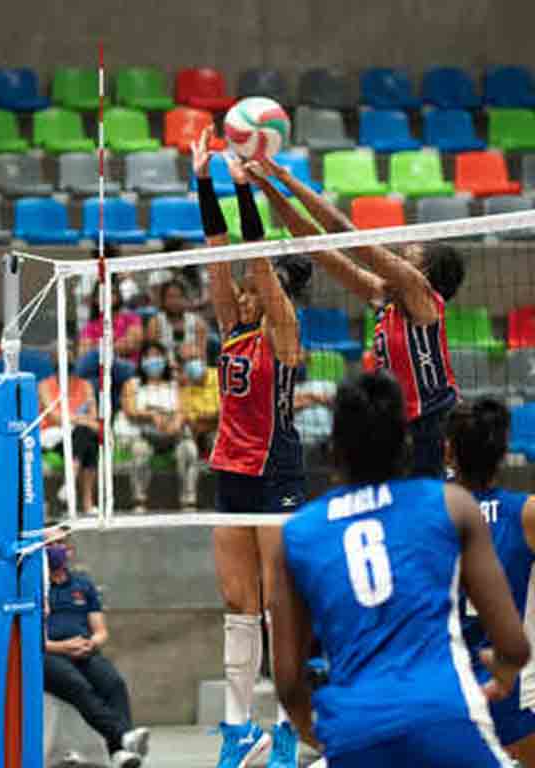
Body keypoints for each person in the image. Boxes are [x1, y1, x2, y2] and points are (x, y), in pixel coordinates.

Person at [272, 372, 528, 767]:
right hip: (445, 718)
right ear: (406, 443)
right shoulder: (450, 505)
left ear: (334, 449)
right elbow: (513, 645)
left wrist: (319, 736)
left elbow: (289, 682)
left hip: (354, 731)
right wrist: (505, 676)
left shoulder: (298, 533)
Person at [192, 127, 309, 768]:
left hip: (277, 474)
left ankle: (292, 724)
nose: (238, 285)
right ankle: (241, 730)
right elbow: (218, 255)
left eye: (256, 283)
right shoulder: (232, 327)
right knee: (237, 602)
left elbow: (256, 262)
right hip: (230, 472)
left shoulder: (285, 331)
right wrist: (204, 179)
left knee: (278, 605)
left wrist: (245, 189)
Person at [248, 156, 463, 478]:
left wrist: (286, 178)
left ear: (425, 270)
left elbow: (341, 229)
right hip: (396, 425)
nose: (408, 244)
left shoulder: (422, 297)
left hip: (433, 424)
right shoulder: (383, 297)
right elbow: (316, 243)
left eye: (417, 247)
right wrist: (268, 186)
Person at [446, 398, 535, 766]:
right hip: (511, 692)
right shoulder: (525, 512)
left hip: (443, 690)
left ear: (448, 450)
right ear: (503, 452)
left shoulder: (423, 512)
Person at [44, 539, 149, 767]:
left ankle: (118, 752)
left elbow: (101, 631)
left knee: (113, 683)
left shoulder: (83, 585)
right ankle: (122, 736)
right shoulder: (33, 587)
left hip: (83, 650)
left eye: (60, 544)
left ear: (69, 551)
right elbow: (31, 640)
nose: (56, 549)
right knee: (77, 685)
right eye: (50, 544)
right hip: (49, 654)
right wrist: (63, 647)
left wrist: (91, 644)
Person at [115, 340, 198, 513]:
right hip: (146, 435)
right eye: (148, 356)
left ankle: (188, 500)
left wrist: (176, 422)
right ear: (142, 361)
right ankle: (139, 499)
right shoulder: (133, 384)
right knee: (139, 451)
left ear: (164, 359)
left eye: (157, 356)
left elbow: (184, 410)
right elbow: (130, 410)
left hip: (174, 434)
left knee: (189, 449)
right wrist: (151, 416)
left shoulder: (175, 385)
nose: (153, 360)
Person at [38, 356, 100, 515]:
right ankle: (85, 501)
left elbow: (94, 416)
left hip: (77, 435)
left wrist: (79, 421)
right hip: (53, 436)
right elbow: (54, 417)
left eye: (69, 370)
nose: (65, 375)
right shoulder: (45, 385)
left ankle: (70, 486)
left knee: (86, 437)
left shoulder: (85, 386)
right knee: (86, 435)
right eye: (61, 371)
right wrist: (80, 419)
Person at [176, 345, 220, 509]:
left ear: (203, 360)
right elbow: (192, 422)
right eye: (186, 361)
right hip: (197, 435)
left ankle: (228, 497)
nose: (191, 364)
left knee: (220, 442)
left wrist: (209, 418)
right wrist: (212, 416)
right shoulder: (184, 388)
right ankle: (189, 499)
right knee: (187, 450)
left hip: (222, 431)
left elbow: (226, 411)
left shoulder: (219, 377)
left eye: (194, 359)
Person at [146, 278, 211, 364]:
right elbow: (152, 355)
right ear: (163, 300)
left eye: (179, 297)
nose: (174, 301)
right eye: (170, 297)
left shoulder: (197, 323)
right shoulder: (155, 323)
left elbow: (202, 355)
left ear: (185, 299)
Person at [78, 282, 144, 366]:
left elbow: (131, 345)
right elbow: (83, 353)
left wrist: (97, 346)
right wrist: (116, 344)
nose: (107, 295)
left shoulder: (132, 318)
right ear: (95, 299)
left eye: (111, 291)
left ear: (118, 295)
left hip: (127, 369)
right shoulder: (89, 327)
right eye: (102, 293)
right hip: (98, 371)